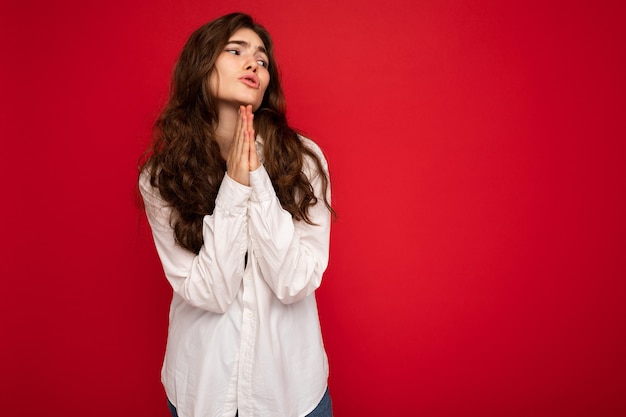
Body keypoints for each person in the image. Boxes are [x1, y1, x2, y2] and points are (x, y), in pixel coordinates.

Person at [138, 12, 335, 417]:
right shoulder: (160, 178)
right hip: (203, 391)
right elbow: (209, 292)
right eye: (235, 51)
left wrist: (256, 182)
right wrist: (234, 186)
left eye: (262, 61)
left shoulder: (305, 162)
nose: (254, 65)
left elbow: (295, 281)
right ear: (202, 65)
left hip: (290, 395)